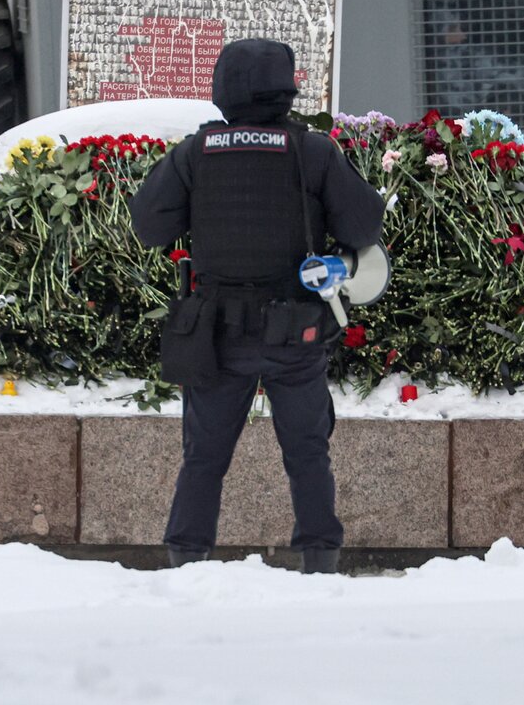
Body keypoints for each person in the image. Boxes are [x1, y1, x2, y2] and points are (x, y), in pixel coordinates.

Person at [130, 39, 384, 573]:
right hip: (297, 331)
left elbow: (150, 227)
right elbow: (363, 226)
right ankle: (320, 562)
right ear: (286, 91)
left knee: (203, 456)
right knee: (308, 452)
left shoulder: (196, 153)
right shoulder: (312, 152)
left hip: (217, 335)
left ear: (223, 90)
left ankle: (186, 560)